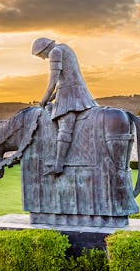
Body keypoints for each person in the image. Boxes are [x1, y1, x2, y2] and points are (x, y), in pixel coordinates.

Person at [31, 38, 98, 174]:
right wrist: (51, 97)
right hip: (73, 91)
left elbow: (53, 81)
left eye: (41, 55)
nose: (43, 58)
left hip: (71, 95)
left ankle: (59, 165)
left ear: (44, 49)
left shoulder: (55, 52)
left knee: (64, 129)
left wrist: (44, 99)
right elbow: (65, 81)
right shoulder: (64, 48)